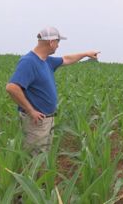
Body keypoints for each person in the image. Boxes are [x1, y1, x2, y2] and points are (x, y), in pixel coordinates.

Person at [6, 26, 100, 155]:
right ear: (51, 42)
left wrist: (85, 54)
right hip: (36, 122)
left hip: (47, 120)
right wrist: (31, 111)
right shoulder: (29, 62)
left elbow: (67, 59)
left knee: (43, 156)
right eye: (58, 42)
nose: (58, 46)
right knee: (34, 160)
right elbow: (12, 87)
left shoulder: (46, 61)